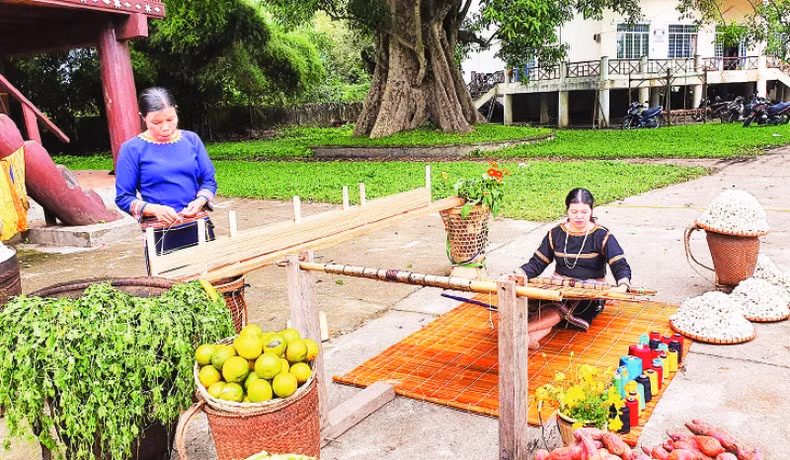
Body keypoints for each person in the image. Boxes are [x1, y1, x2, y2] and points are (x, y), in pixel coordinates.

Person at [115, 87, 217, 273]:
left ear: (176, 110)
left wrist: (200, 201)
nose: (165, 127)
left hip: (199, 226)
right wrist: (154, 209)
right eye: (156, 122)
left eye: (171, 119)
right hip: (161, 235)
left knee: (209, 287)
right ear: (143, 117)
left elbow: (208, 180)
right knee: (168, 292)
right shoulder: (131, 149)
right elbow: (124, 198)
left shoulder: (192, 140)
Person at [517, 188, 631, 349]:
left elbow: (619, 264)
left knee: (560, 307)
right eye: (574, 211)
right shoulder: (555, 234)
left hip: (589, 293)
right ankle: (528, 338)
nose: (579, 216)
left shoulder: (602, 236)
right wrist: (517, 274)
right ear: (567, 211)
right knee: (544, 304)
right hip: (559, 288)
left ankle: (518, 331)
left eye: (584, 211)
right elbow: (537, 263)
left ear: (591, 211)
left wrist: (622, 286)